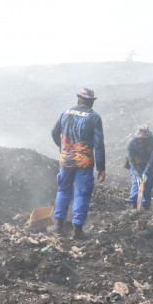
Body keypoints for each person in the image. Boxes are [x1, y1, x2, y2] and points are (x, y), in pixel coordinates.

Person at [50, 88, 105, 239]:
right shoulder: (94, 117)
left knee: (63, 189)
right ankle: (77, 231)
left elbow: (54, 133)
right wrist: (101, 167)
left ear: (79, 99)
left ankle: (58, 226)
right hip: (84, 161)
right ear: (91, 102)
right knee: (82, 192)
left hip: (66, 159)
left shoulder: (65, 113)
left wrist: (63, 149)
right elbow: (99, 144)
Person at [126, 124, 153, 209]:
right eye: (140, 138)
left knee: (148, 182)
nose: (142, 140)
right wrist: (137, 175)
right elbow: (131, 160)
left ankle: (146, 205)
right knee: (136, 182)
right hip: (136, 164)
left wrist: (146, 172)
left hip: (148, 163)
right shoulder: (132, 142)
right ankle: (133, 203)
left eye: (144, 138)